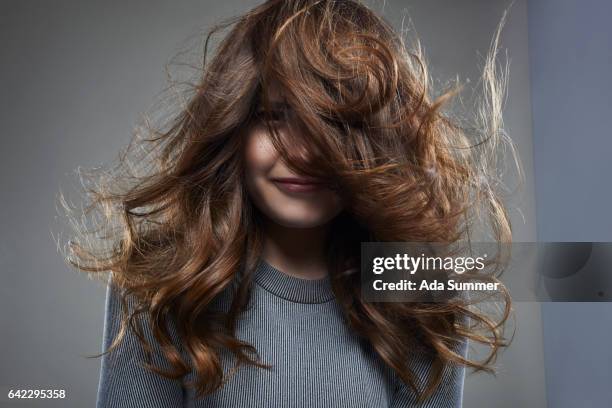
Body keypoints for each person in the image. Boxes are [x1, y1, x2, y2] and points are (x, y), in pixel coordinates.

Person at [60, 0, 514, 406]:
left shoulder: (418, 288)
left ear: (379, 140)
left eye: (332, 122)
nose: (300, 152)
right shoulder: (164, 279)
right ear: (234, 127)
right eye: (273, 117)